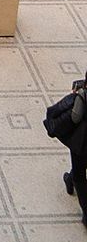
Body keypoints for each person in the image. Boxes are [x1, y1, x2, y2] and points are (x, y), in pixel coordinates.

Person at [59, 71, 87, 226]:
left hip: (83, 141)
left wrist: (76, 97)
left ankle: (86, 212)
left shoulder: (83, 94)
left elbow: (76, 117)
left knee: (80, 175)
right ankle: (69, 180)